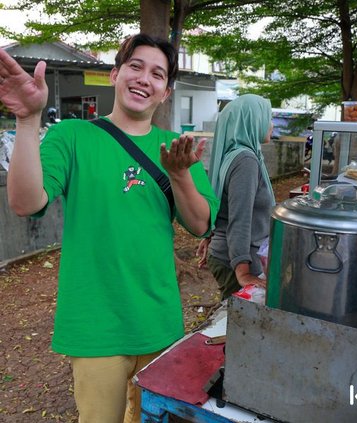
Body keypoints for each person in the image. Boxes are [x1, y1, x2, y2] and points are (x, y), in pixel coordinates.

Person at [0, 33, 219, 423]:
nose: (143, 79)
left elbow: (200, 224)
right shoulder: (72, 136)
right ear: (115, 75)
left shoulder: (177, 147)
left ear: (166, 92)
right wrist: (28, 118)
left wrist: (180, 175)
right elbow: (25, 201)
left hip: (159, 321)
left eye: (157, 74)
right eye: (135, 67)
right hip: (95, 323)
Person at [196, 94, 275, 299]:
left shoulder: (235, 155)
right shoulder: (245, 160)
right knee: (237, 323)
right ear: (252, 121)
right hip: (234, 260)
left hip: (229, 254)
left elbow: (223, 205)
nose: (272, 124)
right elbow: (240, 218)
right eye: (267, 117)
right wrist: (243, 272)